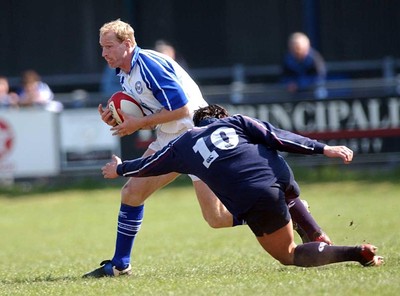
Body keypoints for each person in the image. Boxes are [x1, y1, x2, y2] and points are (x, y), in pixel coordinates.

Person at [83, 19, 330, 278]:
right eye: (102, 47)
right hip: (172, 136)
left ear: (128, 43)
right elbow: (156, 107)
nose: (104, 53)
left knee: (213, 217)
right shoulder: (124, 70)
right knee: (143, 196)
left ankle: (286, 210)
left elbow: (182, 109)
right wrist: (118, 116)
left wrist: (139, 123)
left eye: (109, 46)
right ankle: (121, 264)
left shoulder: (148, 65)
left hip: (196, 138)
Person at [101, 104, 383, 269]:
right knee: (284, 193)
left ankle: (354, 252)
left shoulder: (184, 143)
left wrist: (119, 169)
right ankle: (313, 229)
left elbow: (150, 165)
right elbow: (279, 137)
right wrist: (325, 149)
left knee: (289, 254)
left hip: (256, 196)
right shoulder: (237, 121)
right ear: (221, 117)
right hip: (282, 178)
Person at [281, 32, 327, 97]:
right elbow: (285, 77)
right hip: (295, 94)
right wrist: (290, 83)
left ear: (306, 47)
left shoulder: (314, 58)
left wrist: (299, 84)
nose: (297, 52)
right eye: (293, 49)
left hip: (313, 92)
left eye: (299, 49)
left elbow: (319, 77)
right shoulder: (288, 59)